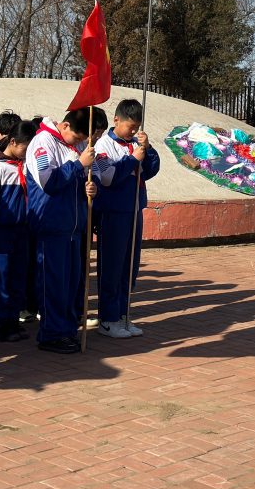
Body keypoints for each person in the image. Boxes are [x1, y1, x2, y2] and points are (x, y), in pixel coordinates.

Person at [26, 108, 98, 354]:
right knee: (53, 284)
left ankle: (66, 330)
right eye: (77, 138)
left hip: (73, 226)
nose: (79, 143)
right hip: (52, 224)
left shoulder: (73, 146)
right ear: (65, 126)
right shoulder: (42, 142)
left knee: (70, 284)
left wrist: (88, 188)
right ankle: (51, 333)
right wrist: (78, 165)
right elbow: (48, 181)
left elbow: (78, 178)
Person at [91, 98, 161, 339]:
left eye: (137, 127)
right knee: (112, 266)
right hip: (113, 213)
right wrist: (133, 159)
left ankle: (123, 315)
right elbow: (108, 177)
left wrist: (147, 150)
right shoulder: (103, 145)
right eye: (130, 126)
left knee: (129, 268)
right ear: (116, 120)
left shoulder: (135, 144)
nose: (133, 131)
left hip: (134, 210)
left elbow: (150, 171)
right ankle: (107, 319)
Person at [0, 129, 31, 343]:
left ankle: (12, 319)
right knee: (0, 276)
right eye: (25, 148)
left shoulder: (25, 166)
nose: (27, 153)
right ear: (12, 141)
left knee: (18, 276)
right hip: (1, 230)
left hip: (22, 229)